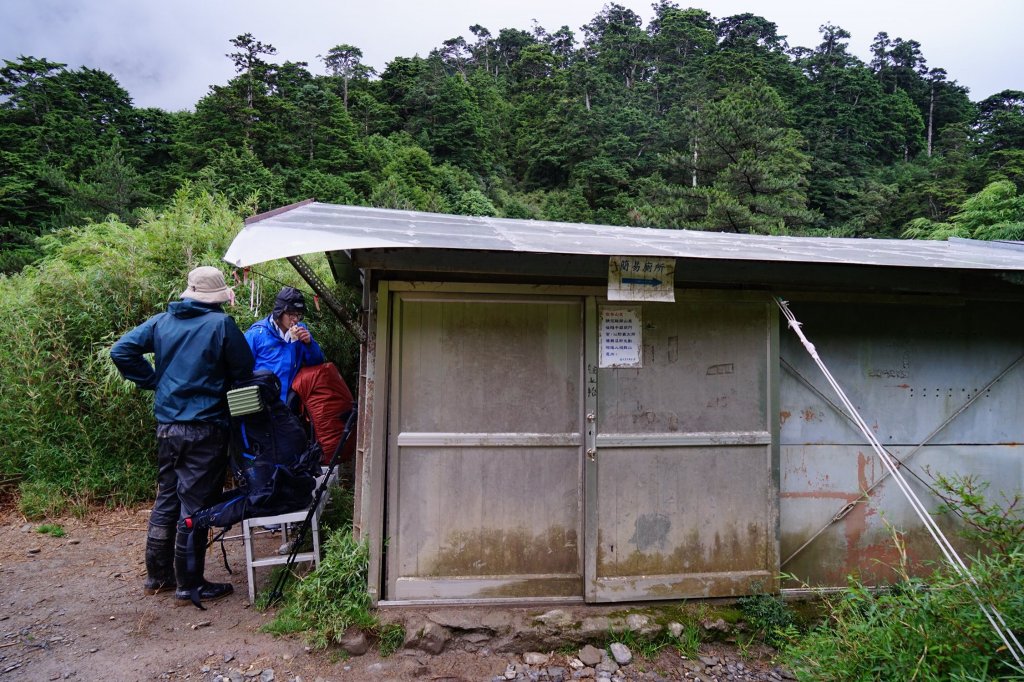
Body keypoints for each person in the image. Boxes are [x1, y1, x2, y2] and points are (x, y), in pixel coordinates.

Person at [111, 266, 254, 607]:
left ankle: (158, 575)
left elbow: (121, 350)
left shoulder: (162, 321)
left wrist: (154, 380)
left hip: (168, 426)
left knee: (168, 497)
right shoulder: (220, 325)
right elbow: (244, 370)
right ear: (217, 298)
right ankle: (190, 585)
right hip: (205, 427)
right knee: (196, 505)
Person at [244, 286, 325, 407]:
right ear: (279, 311)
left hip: (288, 404)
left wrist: (309, 344)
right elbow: (242, 371)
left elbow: (317, 363)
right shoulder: (256, 334)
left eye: (298, 315)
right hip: (260, 404)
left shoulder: (301, 331)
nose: (295, 320)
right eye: (291, 314)